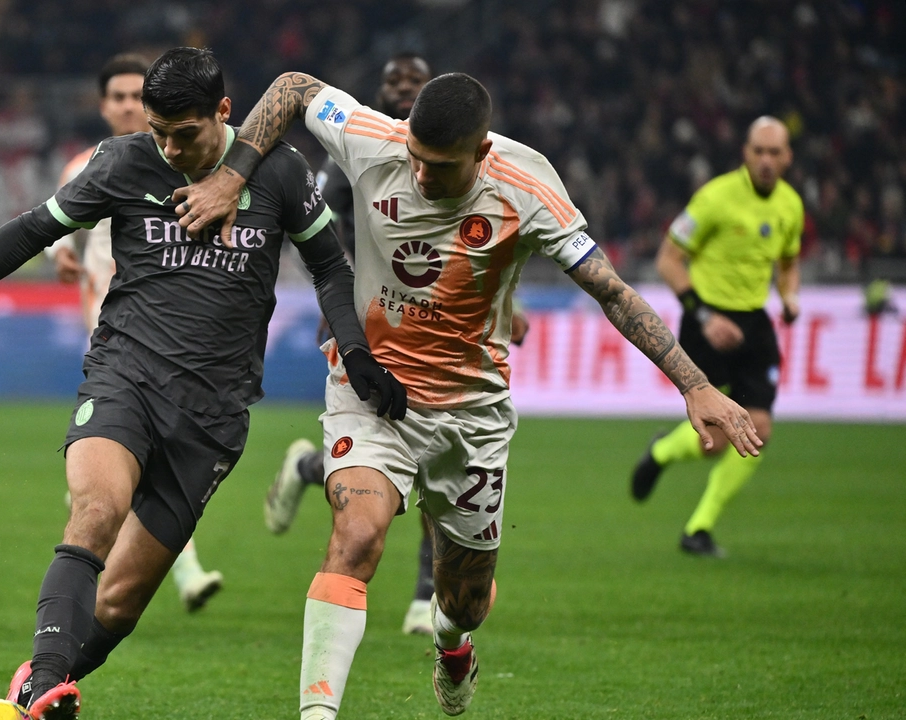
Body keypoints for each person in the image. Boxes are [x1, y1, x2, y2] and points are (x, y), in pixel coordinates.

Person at [175, 71, 761, 718]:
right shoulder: (376, 140)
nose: (422, 175)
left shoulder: (527, 188)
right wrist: (231, 176)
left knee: (466, 601)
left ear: (481, 153)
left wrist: (696, 384)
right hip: (374, 391)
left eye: (441, 165)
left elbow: (614, 293)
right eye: (415, 160)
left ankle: (453, 647)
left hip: (472, 413)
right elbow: (292, 87)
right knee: (357, 537)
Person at [0, 48, 406, 719]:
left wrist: (354, 350)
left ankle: (34, 683)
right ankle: (45, 698)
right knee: (95, 511)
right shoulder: (124, 163)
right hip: (125, 378)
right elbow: (31, 232)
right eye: (160, 134)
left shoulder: (281, 172)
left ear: (224, 112)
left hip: (213, 416)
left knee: (118, 605)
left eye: (186, 134)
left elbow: (330, 267)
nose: (172, 149)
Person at [265, 52, 530, 637]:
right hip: (370, 333)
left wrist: (510, 307)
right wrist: (340, 306)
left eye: (414, 81)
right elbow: (318, 233)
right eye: (394, 82)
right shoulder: (357, 152)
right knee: (389, 469)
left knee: (438, 464)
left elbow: (474, 251)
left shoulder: (454, 165)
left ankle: (425, 595)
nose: (404, 88)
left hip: (437, 335)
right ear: (384, 92)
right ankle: (311, 471)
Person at [47, 52, 225, 612]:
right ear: (104, 107)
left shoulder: (200, 164)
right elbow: (62, 244)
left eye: (134, 96)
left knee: (131, 474)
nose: (126, 105)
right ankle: (163, 572)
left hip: (177, 345)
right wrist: (66, 261)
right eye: (117, 97)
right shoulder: (87, 167)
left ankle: (106, 579)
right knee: (121, 474)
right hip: (115, 341)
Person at [629, 116, 803, 558]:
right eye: (758, 151)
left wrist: (789, 296)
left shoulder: (790, 205)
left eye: (774, 153)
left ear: (787, 157)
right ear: (746, 153)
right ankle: (664, 451)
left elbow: (787, 261)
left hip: (754, 324)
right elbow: (669, 260)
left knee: (757, 429)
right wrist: (704, 316)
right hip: (707, 322)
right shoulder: (714, 198)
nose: (766, 160)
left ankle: (698, 529)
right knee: (716, 440)